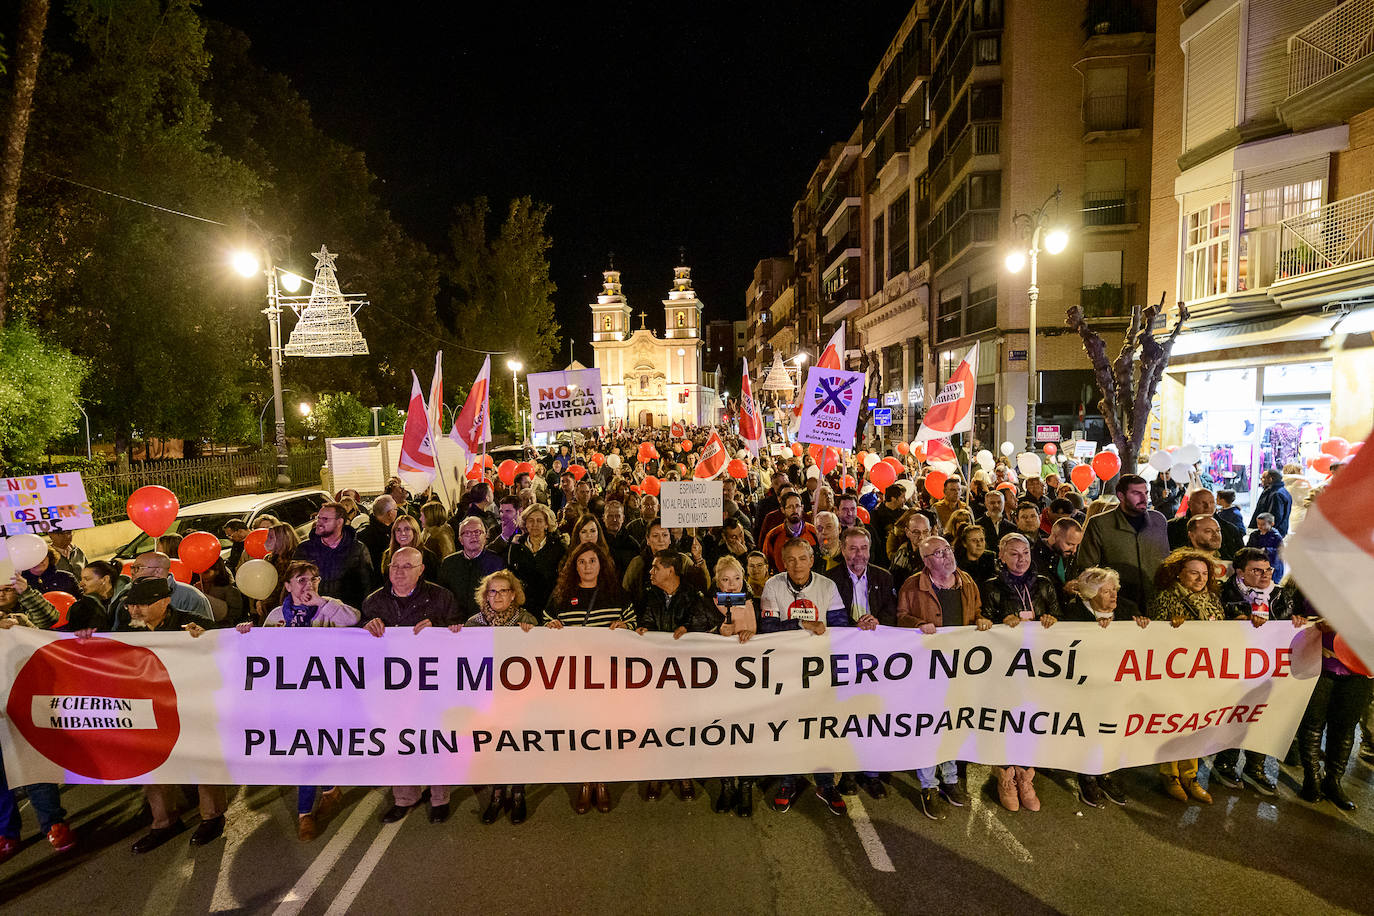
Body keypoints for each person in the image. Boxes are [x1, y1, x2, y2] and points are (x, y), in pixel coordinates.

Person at [236, 560, 358, 839]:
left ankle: (304, 815)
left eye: (314, 579)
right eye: (301, 580)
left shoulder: (328, 607)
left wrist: (321, 603)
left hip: (324, 695)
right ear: (288, 586)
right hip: (288, 697)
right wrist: (245, 634)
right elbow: (262, 653)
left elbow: (352, 619)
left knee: (308, 750)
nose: (308, 585)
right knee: (305, 750)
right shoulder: (277, 615)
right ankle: (330, 789)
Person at [107, 578, 226, 853]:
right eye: (130, 605)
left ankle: (212, 816)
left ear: (165, 602)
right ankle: (164, 822)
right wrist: (84, 637)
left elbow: (227, 645)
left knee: (203, 760)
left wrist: (205, 639)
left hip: (192, 705)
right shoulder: (127, 628)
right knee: (152, 764)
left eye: (141, 605)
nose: (134, 610)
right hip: (149, 708)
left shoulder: (192, 623)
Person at [362, 547, 460, 825]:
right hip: (393, 688)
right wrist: (366, 626)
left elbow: (459, 630)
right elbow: (358, 640)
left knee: (434, 740)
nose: (399, 572)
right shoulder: (374, 601)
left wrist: (439, 626)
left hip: (432, 684)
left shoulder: (441, 598)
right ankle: (405, 797)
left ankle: (440, 798)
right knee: (399, 740)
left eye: (407, 566)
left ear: (421, 570)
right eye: (395, 566)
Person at [759, 538, 846, 815]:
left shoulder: (827, 586)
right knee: (788, 728)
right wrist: (802, 624)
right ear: (783, 563)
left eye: (802, 558)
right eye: (791, 560)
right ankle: (788, 782)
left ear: (812, 560)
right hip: (786, 671)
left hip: (819, 670)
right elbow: (768, 627)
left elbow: (840, 624)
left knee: (821, 728)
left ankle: (825, 784)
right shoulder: (773, 585)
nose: (797, 565)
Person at [546, 542, 632, 815]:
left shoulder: (616, 594)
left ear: (601, 564)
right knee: (581, 731)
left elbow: (634, 624)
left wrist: (626, 626)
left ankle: (602, 781)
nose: (587, 567)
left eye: (592, 561)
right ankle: (585, 782)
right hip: (575, 679)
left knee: (604, 730)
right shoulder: (562, 595)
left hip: (608, 678)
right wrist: (551, 626)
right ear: (574, 566)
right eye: (581, 562)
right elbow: (545, 622)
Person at [1212, 548, 1302, 795]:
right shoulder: (1223, 593)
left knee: (1263, 716)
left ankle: (1255, 767)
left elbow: (1287, 625)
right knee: (1234, 714)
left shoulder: (1281, 595)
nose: (1265, 575)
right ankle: (1225, 763)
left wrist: (1297, 622)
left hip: (1269, 668)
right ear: (1240, 572)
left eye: (1268, 569)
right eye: (1256, 570)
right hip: (1234, 668)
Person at [980, 533, 1059, 813]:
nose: (1021, 558)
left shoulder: (1044, 583)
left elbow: (1060, 618)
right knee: (1006, 720)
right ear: (1001, 556)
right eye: (1013, 553)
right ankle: (1005, 777)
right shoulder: (991, 586)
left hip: (1039, 666)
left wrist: (1051, 618)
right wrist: (999, 621)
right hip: (1005, 667)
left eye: (1025, 552)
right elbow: (982, 622)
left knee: (1030, 719)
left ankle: (1025, 776)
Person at [634, 550, 722, 802]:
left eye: (655, 567)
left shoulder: (694, 595)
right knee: (656, 724)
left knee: (683, 725)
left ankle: (684, 774)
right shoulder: (650, 595)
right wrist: (644, 630)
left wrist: (691, 628)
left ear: (670, 570)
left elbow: (711, 620)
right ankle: (656, 774)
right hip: (657, 674)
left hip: (686, 675)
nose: (651, 572)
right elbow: (646, 621)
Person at [1150, 548, 1226, 805]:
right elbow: (1154, 636)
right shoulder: (1165, 597)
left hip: (1202, 672)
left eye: (1204, 573)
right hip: (1174, 673)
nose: (1200, 578)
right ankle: (1170, 774)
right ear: (1179, 573)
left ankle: (1190, 775)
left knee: (1195, 723)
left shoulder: (1212, 599)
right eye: (1194, 573)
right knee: (1173, 722)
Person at [1060, 567, 1139, 807]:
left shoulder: (1128, 610)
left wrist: (1143, 625)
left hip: (1117, 687)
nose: (1114, 595)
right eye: (1106, 591)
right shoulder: (1073, 615)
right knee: (1087, 730)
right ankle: (1087, 776)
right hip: (1085, 687)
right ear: (1090, 595)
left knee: (1110, 729)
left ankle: (1105, 772)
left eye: (1114, 589)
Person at [467, 570, 538, 825]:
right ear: (485, 595)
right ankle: (497, 794)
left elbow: (540, 657)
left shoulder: (526, 620)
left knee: (515, 743)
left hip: (518, 699)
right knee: (493, 745)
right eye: (493, 591)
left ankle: (518, 793)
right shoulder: (473, 624)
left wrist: (533, 634)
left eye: (503, 591)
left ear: (513, 595)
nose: (497, 596)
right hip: (486, 698)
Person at [1294, 589, 1371, 811]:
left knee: (1345, 727)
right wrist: (1304, 621)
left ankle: (1333, 782)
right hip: (1318, 663)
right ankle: (1312, 779)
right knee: (1312, 724)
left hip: (1360, 670)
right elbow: (1294, 613)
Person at [1075, 474, 1169, 619]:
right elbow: (1087, 568)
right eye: (1136, 493)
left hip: (1158, 601)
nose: (1144, 498)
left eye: (1145, 493)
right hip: (1119, 605)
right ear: (1121, 496)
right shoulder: (1100, 524)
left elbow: (1167, 560)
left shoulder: (1158, 520)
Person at [711, 555, 759, 816]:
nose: (731, 585)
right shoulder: (708, 603)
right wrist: (717, 632)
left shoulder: (752, 603)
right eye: (725, 580)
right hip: (719, 682)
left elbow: (767, 636)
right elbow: (697, 634)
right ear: (717, 581)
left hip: (748, 683)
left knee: (746, 735)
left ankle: (746, 786)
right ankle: (727, 785)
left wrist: (752, 636)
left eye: (737, 579)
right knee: (722, 734)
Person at [294, 502, 376, 611]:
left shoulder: (357, 549)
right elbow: (293, 583)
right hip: (311, 613)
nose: (319, 523)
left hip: (345, 613)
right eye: (318, 518)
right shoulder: (304, 549)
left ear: (339, 522)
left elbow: (367, 586)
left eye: (325, 519)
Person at [112, 551, 214, 628]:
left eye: (138, 568)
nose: (132, 572)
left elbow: (207, 635)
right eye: (132, 568)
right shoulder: (126, 594)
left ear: (157, 571)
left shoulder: (191, 597)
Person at [508, 504, 566, 620]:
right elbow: (510, 575)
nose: (534, 524)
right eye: (531, 520)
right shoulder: (516, 546)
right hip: (522, 607)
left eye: (539, 521)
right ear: (525, 523)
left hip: (550, 606)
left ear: (546, 524)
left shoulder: (558, 547)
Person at [1166, 488, 1242, 559]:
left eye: (1212, 502)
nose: (1208, 506)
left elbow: (1241, 560)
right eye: (1202, 503)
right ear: (1189, 504)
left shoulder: (1230, 530)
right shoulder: (1171, 528)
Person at [762, 492, 819, 572]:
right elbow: (767, 563)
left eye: (797, 506)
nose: (795, 510)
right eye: (790, 507)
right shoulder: (773, 535)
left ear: (802, 508)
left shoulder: (814, 532)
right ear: (783, 510)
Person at [1032, 517, 1082, 606]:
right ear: (1054, 537)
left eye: (1077, 545)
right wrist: (1063, 589)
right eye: (1069, 544)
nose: (1074, 550)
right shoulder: (1032, 556)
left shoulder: (1070, 555)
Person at [66, 559, 123, 631]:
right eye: (81, 579)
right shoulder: (79, 608)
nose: (81, 584)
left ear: (105, 579)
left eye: (87, 579)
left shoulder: (127, 602)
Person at [381, 515, 440, 582]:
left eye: (407, 529)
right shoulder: (388, 554)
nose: (403, 533)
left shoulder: (429, 556)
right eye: (398, 530)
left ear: (414, 531)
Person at [886, 509, 932, 591]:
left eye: (925, 532)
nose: (921, 537)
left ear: (930, 531)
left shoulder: (938, 554)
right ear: (907, 532)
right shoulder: (901, 553)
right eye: (916, 532)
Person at [357, 494, 398, 578]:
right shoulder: (369, 536)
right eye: (396, 509)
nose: (397, 512)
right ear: (390, 513)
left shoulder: (362, 532)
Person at [867, 484, 907, 568]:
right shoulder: (876, 514)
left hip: (901, 558)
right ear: (893, 498)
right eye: (902, 497)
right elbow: (875, 539)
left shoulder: (904, 513)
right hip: (882, 559)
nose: (905, 500)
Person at [602, 499, 641, 573]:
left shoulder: (632, 544)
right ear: (604, 518)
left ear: (623, 518)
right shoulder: (598, 541)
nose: (614, 520)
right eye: (610, 516)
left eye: (618, 516)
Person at [1251, 469, 1292, 535]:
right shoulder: (1275, 491)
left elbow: (1275, 516)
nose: (1261, 479)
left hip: (1271, 532)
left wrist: (1267, 531)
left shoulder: (1276, 494)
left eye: (1263, 478)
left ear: (1270, 479)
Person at [1246, 513, 1285, 582]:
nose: (1260, 526)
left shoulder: (1276, 537)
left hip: (1272, 565)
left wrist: (1267, 550)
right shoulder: (1254, 535)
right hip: (1256, 564)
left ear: (1272, 524)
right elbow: (1248, 547)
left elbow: (1280, 551)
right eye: (1258, 524)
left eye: (1263, 524)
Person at [489, 495, 522, 562]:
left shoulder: (526, 530)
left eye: (508, 511)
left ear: (519, 511)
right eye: (501, 512)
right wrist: (504, 536)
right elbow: (487, 554)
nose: (503, 515)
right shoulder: (494, 530)